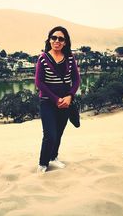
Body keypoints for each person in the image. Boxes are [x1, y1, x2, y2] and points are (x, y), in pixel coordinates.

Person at [35, 26, 80, 173]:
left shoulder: (70, 59)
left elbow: (76, 80)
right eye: (54, 37)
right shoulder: (43, 58)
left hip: (66, 103)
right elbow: (39, 82)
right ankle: (43, 163)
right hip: (48, 102)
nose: (57, 41)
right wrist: (56, 99)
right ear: (49, 40)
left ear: (65, 42)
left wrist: (69, 96)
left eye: (61, 39)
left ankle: (53, 157)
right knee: (50, 134)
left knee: (59, 133)